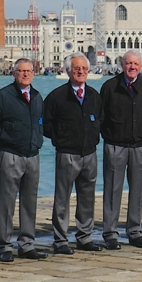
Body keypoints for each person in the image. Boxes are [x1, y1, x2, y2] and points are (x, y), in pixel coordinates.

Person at [44, 54, 104, 254]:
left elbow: (101, 120)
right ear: (68, 71)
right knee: (62, 198)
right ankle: (60, 240)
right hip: (67, 153)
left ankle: (84, 237)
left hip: (90, 153)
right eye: (76, 68)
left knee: (87, 197)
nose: (80, 72)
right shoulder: (57, 96)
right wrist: (61, 139)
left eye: (84, 69)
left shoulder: (95, 96)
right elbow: (47, 124)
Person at [0, 58, 47, 261]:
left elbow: (41, 124)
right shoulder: (3, 96)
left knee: (29, 202)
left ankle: (27, 243)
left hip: (33, 155)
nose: (25, 74)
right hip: (10, 155)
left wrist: (37, 141)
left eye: (28, 71)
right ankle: (4, 245)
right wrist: (4, 145)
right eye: (21, 71)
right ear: (14, 73)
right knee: (6, 202)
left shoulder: (37, 97)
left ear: (33, 73)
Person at [100, 50, 142, 250]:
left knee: (137, 190)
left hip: (139, 145)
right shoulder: (109, 87)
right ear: (122, 65)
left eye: (136, 64)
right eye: (128, 63)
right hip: (115, 144)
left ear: (141, 66)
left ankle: (135, 231)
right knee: (112, 189)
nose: (132, 67)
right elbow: (101, 116)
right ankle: (110, 233)